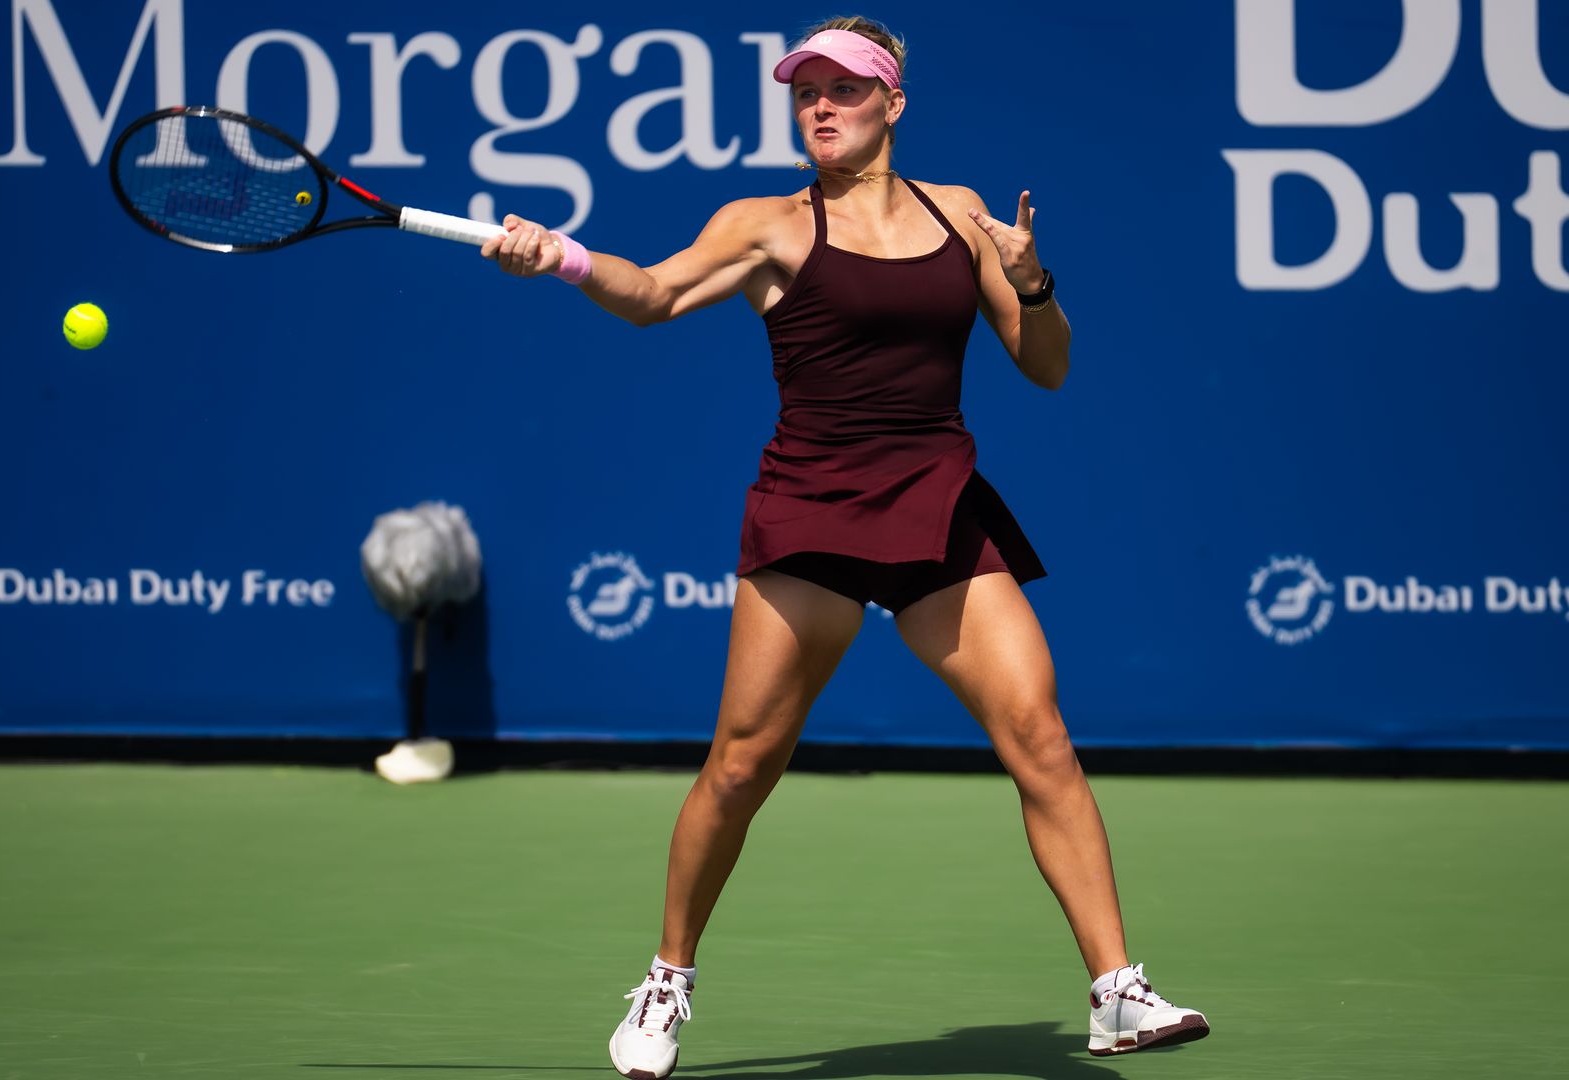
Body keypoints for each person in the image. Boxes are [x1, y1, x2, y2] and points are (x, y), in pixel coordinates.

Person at [479, 16, 1210, 1079]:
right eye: (804, 90)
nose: (820, 105)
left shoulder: (962, 217)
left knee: (1040, 736)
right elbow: (656, 295)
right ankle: (668, 980)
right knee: (739, 767)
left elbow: (1045, 367)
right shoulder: (766, 225)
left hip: (939, 506)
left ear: (893, 102)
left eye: (845, 89)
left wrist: (1035, 280)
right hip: (812, 515)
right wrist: (565, 257)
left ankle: (1116, 993)